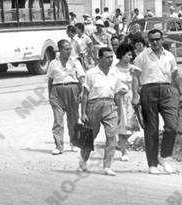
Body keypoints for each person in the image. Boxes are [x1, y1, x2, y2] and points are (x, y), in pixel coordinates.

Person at [131, 28, 182, 174]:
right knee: (151, 129)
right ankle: (152, 163)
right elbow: (135, 76)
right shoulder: (143, 56)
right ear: (148, 41)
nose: (154, 42)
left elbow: (176, 76)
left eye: (157, 39)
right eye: (152, 40)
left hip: (167, 91)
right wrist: (135, 95)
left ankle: (164, 157)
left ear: (162, 40)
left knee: (172, 126)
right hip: (149, 90)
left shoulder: (170, 56)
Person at [78, 47, 126, 175]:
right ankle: (83, 160)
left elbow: (117, 95)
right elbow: (85, 94)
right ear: (99, 58)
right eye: (107, 57)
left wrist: (120, 113)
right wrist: (82, 113)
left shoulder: (115, 73)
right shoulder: (91, 73)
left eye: (112, 57)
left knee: (111, 136)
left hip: (110, 105)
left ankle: (107, 166)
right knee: (90, 136)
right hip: (93, 105)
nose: (110, 60)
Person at [46, 39, 86, 155]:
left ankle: (74, 143)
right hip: (57, 92)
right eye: (66, 49)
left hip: (73, 90)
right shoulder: (53, 63)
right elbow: (50, 79)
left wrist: (82, 92)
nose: (69, 51)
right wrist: (50, 95)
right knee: (58, 121)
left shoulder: (75, 62)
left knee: (73, 119)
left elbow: (82, 78)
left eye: (70, 49)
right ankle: (59, 146)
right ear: (60, 49)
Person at [113, 41, 138, 162]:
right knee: (121, 124)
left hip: (131, 98)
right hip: (118, 99)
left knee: (131, 125)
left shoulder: (133, 69)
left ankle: (122, 143)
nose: (130, 57)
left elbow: (139, 80)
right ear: (122, 55)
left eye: (131, 55)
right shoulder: (114, 70)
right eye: (128, 55)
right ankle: (124, 150)